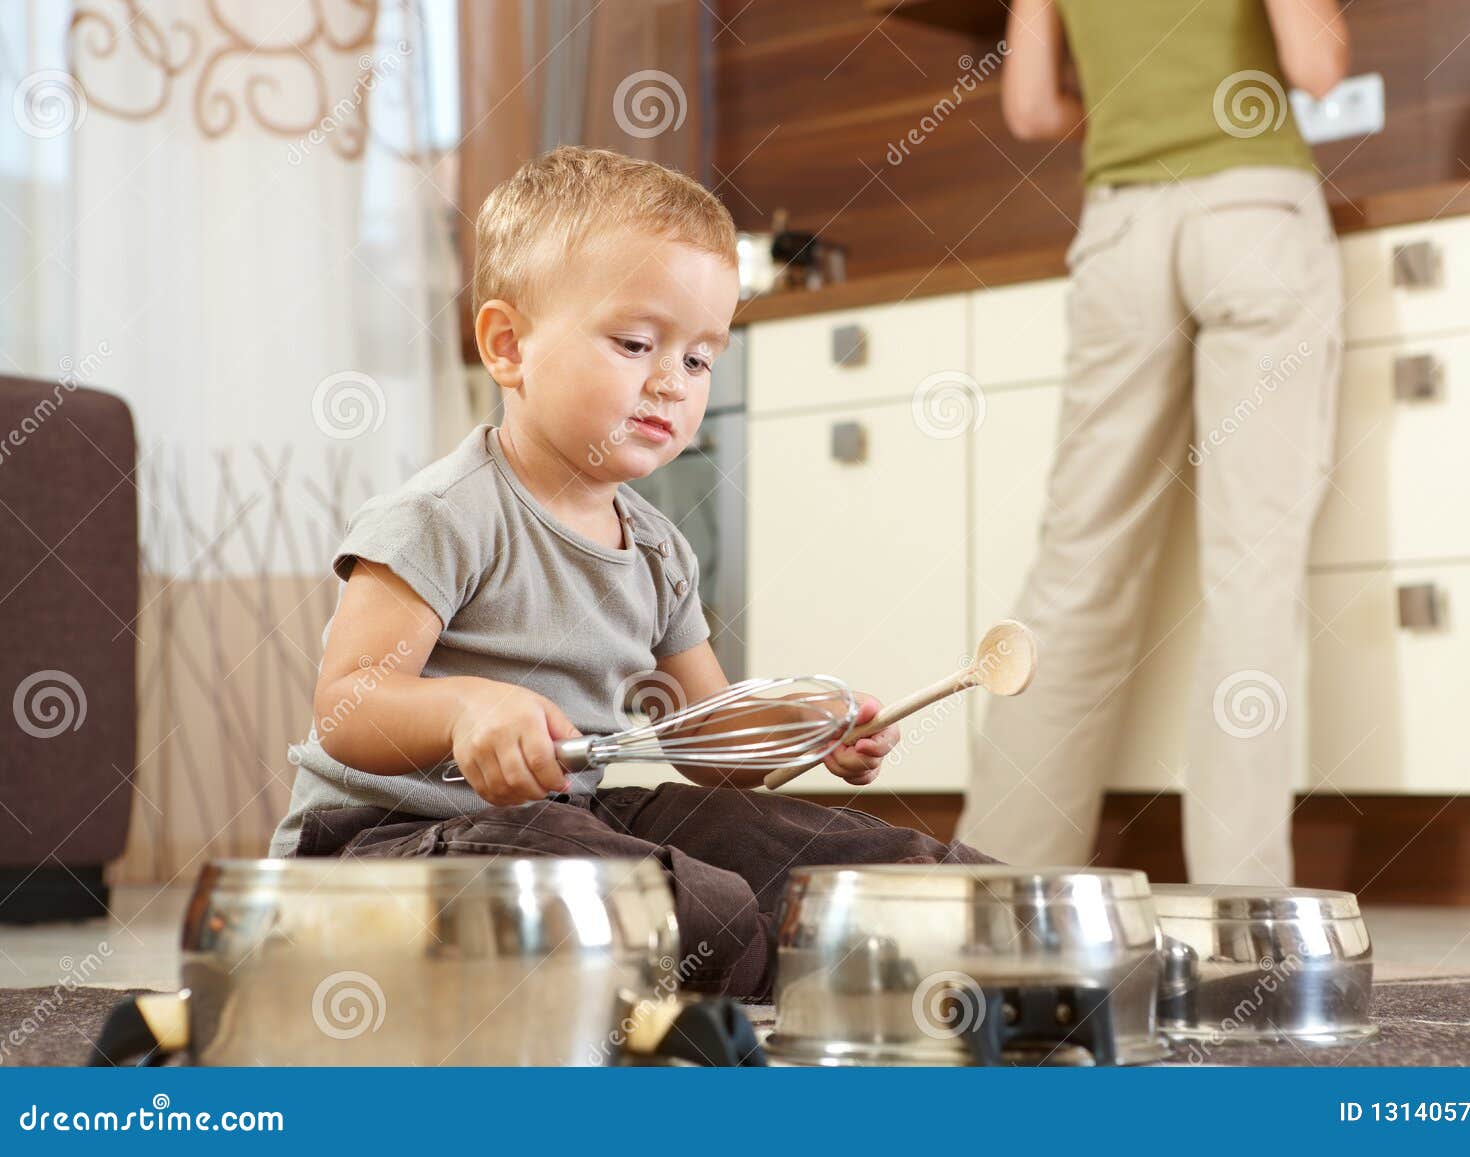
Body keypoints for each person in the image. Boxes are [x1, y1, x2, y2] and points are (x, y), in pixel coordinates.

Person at [268, 146, 996, 1002]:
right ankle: (814, 980)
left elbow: (714, 749)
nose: (670, 383)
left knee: (852, 861)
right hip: (380, 849)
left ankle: (995, 934)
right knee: (700, 909)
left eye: (698, 360)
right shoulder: (439, 515)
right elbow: (346, 706)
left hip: (562, 824)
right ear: (508, 345)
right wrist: (467, 705)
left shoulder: (657, 550)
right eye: (636, 342)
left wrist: (806, 732)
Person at [957, 0, 1349, 886]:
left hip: (1120, 232)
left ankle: (995, 883)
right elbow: (1318, 67)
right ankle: (1238, 904)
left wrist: (1135, 111)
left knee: (1076, 563)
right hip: (1253, 208)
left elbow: (1028, 111)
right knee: (1253, 564)